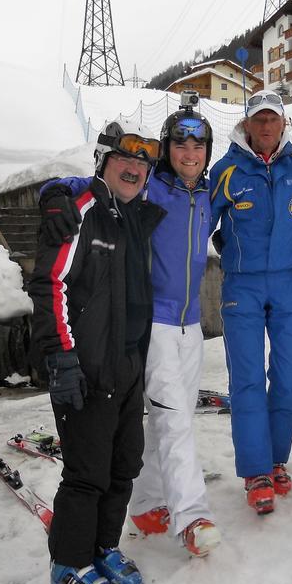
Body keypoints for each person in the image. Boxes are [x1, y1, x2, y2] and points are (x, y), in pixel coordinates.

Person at [44, 109, 222, 558]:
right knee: (175, 420)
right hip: (155, 324)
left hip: (191, 324)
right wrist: (54, 192)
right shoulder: (151, 187)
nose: (189, 153)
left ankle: (145, 504)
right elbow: (89, 186)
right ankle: (193, 515)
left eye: (198, 146)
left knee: (162, 420)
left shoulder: (209, 193)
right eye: (179, 145)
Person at [28, 121, 164, 584]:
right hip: (84, 366)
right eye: (124, 159)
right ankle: (68, 565)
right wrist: (61, 357)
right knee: (86, 474)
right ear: (103, 163)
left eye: (142, 162)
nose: (133, 168)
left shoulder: (135, 216)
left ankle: (102, 547)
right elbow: (51, 284)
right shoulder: (80, 208)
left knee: (124, 465)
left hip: (127, 364)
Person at [209, 90, 292, 515]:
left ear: (284, 123)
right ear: (246, 125)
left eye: (273, 119)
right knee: (248, 380)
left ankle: (277, 460)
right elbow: (197, 219)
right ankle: (256, 472)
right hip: (242, 287)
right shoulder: (227, 169)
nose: (266, 127)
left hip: (289, 283)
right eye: (258, 120)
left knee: (288, 377)